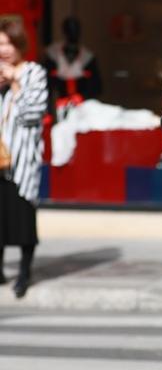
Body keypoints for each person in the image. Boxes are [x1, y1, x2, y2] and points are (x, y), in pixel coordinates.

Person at [0, 16, 48, 298]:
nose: (3, 49)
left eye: (7, 43)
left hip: (22, 161)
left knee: (22, 219)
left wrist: (16, 84)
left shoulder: (33, 73)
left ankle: (24, 272)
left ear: (19, 44)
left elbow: (32, 115)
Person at [44, 16, 102, 119]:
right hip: (58, 102)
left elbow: (97, 86)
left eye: (75, 30)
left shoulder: (88, 57)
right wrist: (48, 111)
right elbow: (46, 85)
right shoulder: (53, 55)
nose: (73, 33)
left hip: (82, 105)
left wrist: (83, 97)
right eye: (69, 30)